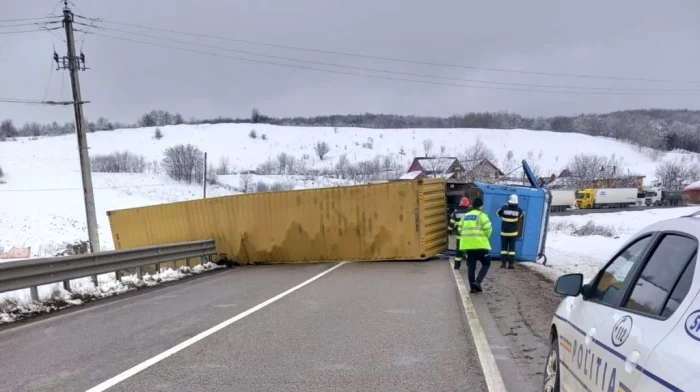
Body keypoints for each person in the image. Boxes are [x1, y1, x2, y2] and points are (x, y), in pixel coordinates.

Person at [457, 197, 493, 293]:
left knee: (471, 267)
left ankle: (472, 288)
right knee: (486, 263)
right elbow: (488, 229)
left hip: (468, 246)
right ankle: (477, 282)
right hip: (481, 245)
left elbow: (460, 229)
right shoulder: (482, 215)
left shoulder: (465, 216)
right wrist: (484, 237)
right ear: (481, 206)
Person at [497, 194, 525, 270]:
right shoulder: (519, 210)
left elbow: (497, 213)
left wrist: (504, 206)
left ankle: (503, 264)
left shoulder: (504, 208)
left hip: (504, 233)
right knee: (512, 250)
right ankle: (511, 264)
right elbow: (521, 216)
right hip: (513, 234)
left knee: (504, 249)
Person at [450, 197, 471, 268]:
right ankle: (469, 265)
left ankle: (456, 266)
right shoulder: (470, 213)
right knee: (468, 251)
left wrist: (449, 231)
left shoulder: (455, 213)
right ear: (468, 204)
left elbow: (451, 225)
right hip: (468, 236)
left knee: (458, 252)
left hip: (459, 236)